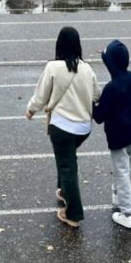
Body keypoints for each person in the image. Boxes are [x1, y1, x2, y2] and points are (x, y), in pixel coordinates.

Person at [25, 26, 101, 228]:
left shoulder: (53, 67)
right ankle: (63, 190)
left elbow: (41, 96)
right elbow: (97, 96)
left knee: (68, 165)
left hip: (62, 126)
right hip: (83, 128)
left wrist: (31, 110)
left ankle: (73, 214)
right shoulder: (87, 69)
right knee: (66, 157)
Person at [93, 39, 131, 230]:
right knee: (125, 167)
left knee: (122, 171)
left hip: (117, 138)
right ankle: (117, 195)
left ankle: (127, 213)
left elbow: (99, 117)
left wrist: (91, 103)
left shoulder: (111, 88)